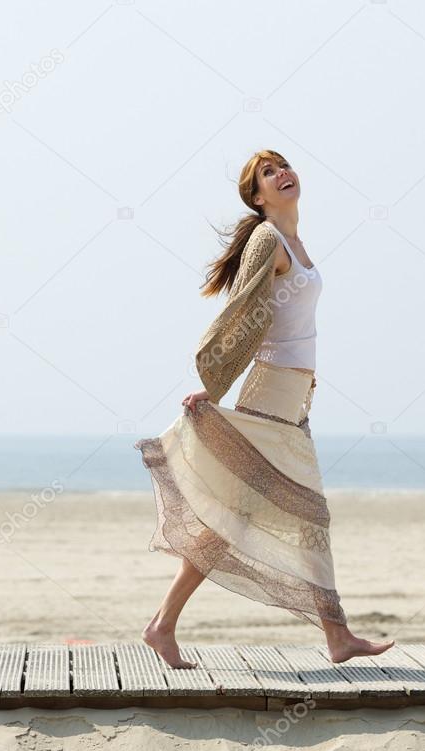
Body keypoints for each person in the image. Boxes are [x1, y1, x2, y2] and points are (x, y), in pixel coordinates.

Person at [134, 149, 395, 668]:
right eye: (268, 173)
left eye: (284, 165)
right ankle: (337, 636)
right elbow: (247, 312)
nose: (282, 174)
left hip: (293, 400)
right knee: (305, 517)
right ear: (257, 197)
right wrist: (217, 384)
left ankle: (163, 626)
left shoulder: (295, 242)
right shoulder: (268, 239)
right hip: (270, 394)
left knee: (239, 519)